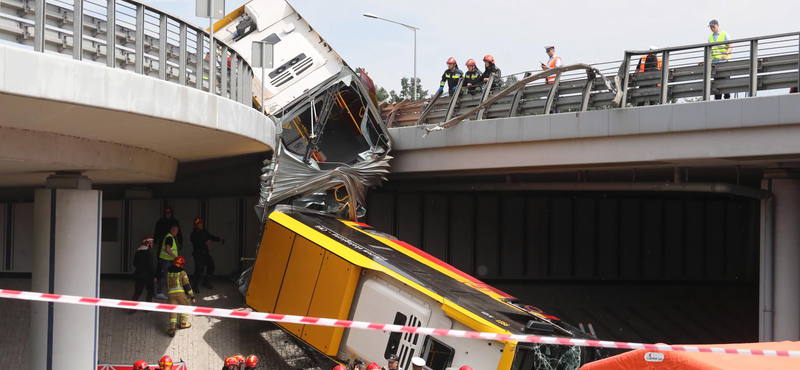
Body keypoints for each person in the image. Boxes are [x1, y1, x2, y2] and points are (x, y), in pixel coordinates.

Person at [190, 217, 224, 293]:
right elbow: (197, 242)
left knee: (211, 266)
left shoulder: (204, 232)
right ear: (196, 226)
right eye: (199, 225)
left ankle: (205, 281)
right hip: (198, 253)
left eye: (202, 224)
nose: (201, 226)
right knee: (199, 269)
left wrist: (219, 239)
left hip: (205, 253)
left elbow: (210, 237)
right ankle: (195, 285)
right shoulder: (193, 234)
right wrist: (205, 244)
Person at [166, 255, 195, 337]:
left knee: (173, 310)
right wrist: (192, 296)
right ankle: (183, 323)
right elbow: (187, 285)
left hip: (170, 294)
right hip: (180, 293)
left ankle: (172, 329)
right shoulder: (182, 273)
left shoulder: (169, 272)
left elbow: (167, 285)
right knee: (187, 305)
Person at [708, 19, 732, 100]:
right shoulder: (710, 37)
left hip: (724, 62)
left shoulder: (724, 34)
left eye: (713, 26)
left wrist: (726, 54)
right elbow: (709, 51)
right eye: (711, 27)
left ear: (718, 25)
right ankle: (718, 101)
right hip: (715, 64)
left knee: (726, 83)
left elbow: (730, 46)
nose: (712, 28)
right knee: (716, 85)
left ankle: (727, 100)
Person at [131, 235, 157, 310]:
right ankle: (147, 308)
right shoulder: (149, 253)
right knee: (150, 291)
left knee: (138, 292)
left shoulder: (138, 252)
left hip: (138, 274)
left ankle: (132, 308)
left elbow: (134, 263)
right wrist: (154, 276)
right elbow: (151, 266)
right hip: (148, 276)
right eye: (151, 242)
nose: (152, 244)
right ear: (148, 243)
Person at [156, 224, 181, 300]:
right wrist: (175, 257)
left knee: (169, 275)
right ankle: (158, 293)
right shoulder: (169, 238)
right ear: (171, 230)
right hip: (166, 260)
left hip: (167, 259)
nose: (177, 232)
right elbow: (167, 249)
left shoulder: (170, 237)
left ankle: (171, 290)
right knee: (164, 276)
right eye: (175, 230)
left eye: (177, 230)